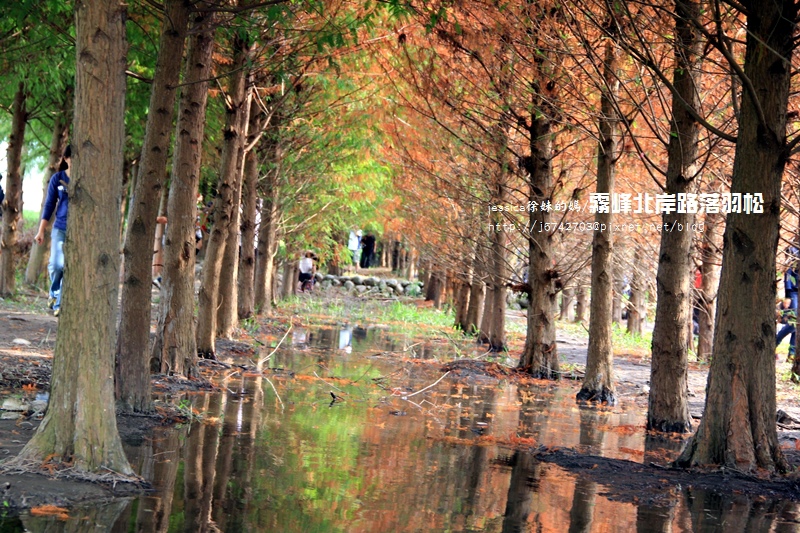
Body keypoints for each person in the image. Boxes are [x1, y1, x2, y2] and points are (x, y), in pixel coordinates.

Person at [34, 145, 71, 316]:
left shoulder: (85, 180)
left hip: (79, 234)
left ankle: (58, 304)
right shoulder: (58, 178)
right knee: (57, 265)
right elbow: (49, 205)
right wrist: (41, 231)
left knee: (69, 267)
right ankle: (54, 293)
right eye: (71, 157)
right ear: (65, 158)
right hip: (60, 228)